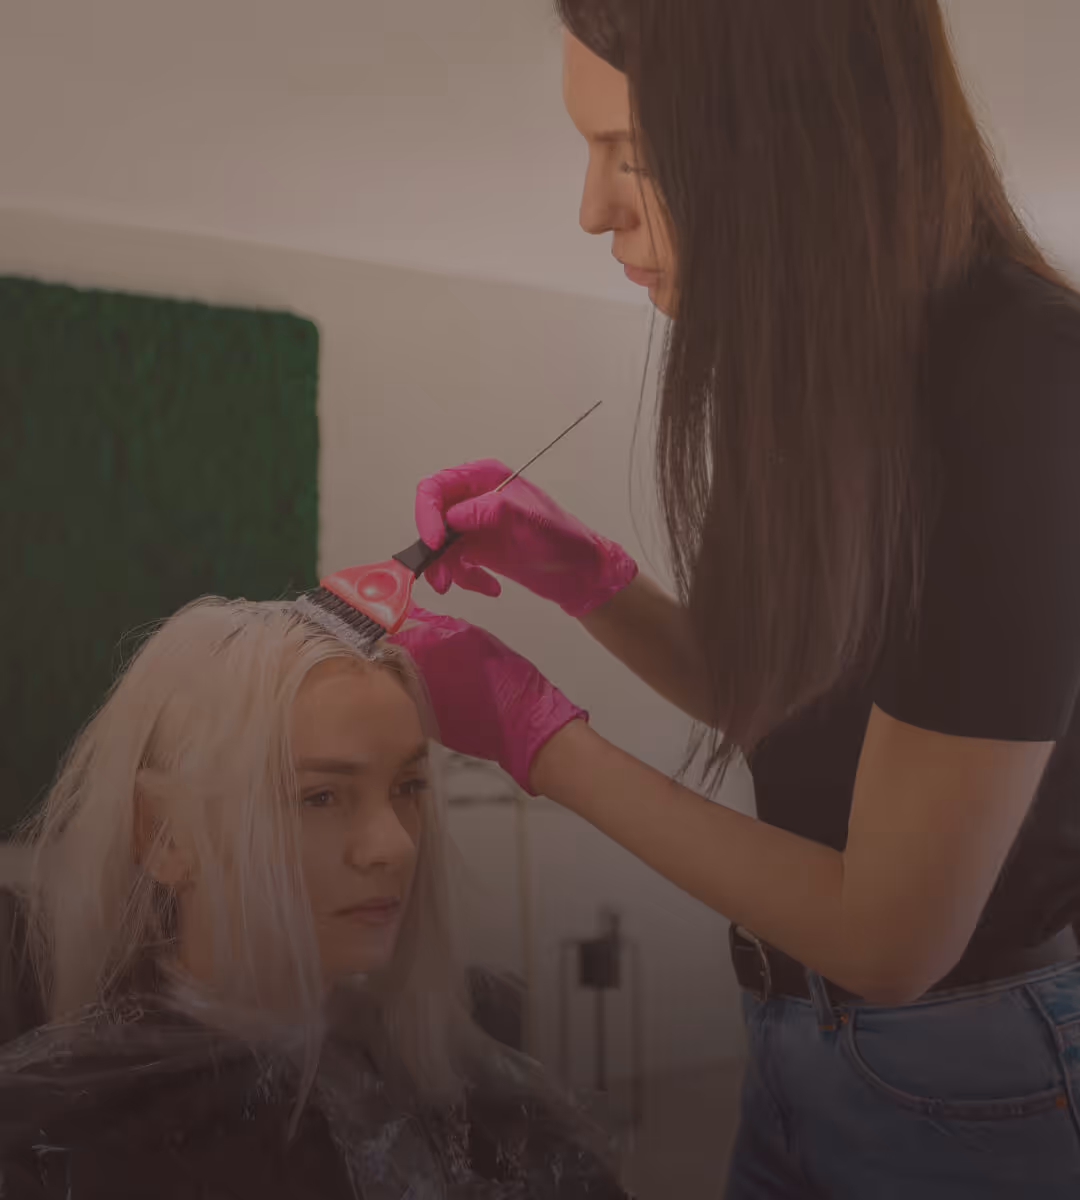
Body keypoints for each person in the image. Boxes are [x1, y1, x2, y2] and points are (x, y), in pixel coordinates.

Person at [392, 2, 1080, 1196]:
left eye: (636, 157)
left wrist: (534, 738)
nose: (592, 209)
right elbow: (790, 701)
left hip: (966, 1075)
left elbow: (888, 935)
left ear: (793, 137)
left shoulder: (1023, 381)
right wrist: (587, 578)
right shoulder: (835, 376)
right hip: (794, 1047)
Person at [0, 597, 628, 1199]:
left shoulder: (469, 1084)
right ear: (163, 835)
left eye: (408, 785)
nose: (395, 846)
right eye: (320, 797)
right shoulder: (59, 1145)